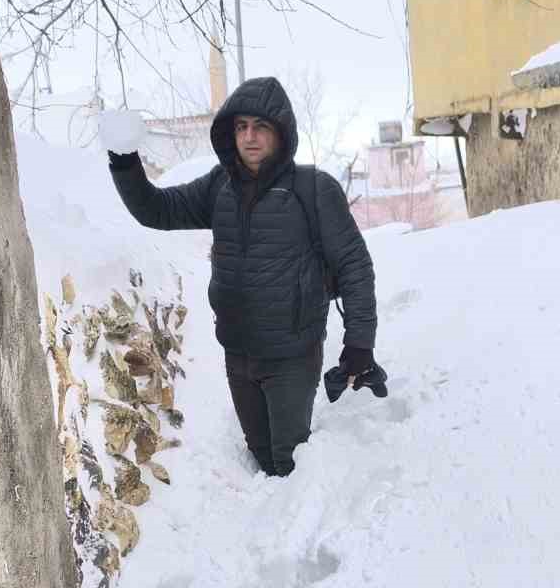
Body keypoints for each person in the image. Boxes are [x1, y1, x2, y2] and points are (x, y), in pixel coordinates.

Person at [107, 76, 381, 477]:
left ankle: (295, 535)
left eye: (261, 127)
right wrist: (124, 160)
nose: (249, 137)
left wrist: (360, 343)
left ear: (280, 132)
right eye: (241, 127)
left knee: (290, 463)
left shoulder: (314, 188)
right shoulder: (220, 186)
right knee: (261, 456)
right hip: (238, 353)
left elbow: (355, 267)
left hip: (292, 355)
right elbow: (156, 210)